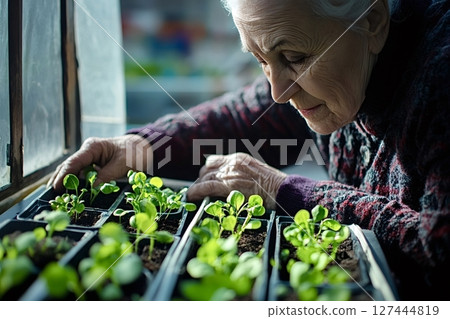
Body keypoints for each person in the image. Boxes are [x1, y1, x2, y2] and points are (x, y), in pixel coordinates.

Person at [48, 0, 449, 300]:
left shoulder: (439, 75)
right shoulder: (344, 65)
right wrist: (142, 145)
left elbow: (437, 250)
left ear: (372, 22)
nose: (279, 91)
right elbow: (249, 113)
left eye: (294, 58)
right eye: (261, 60)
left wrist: (288, 192)